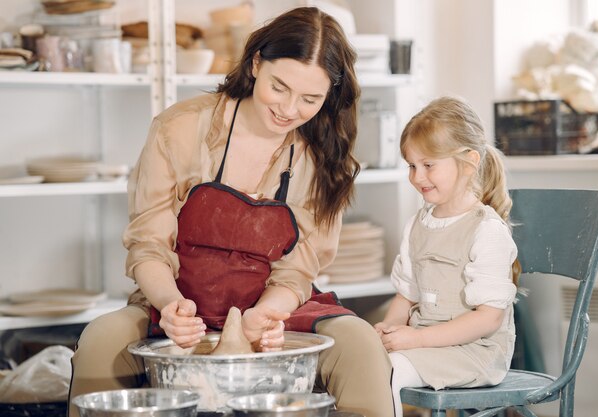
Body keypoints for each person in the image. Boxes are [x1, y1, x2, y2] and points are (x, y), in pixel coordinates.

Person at [68, 7, 394, 417]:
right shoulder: (181, 128)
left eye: (310, 98)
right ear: (257, 63)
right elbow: (148, 244)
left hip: (274, 309)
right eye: (280, 87)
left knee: (360, 343)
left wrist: (267, 314)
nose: (289, 109)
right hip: (178, 300)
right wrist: (171, 306)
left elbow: (298, 269)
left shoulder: (322, 156)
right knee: (101, 339)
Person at [374, 96, 520, 417]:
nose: (417, 177)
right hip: (426, 342)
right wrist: (388, 329)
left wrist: (417, 339)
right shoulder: (418, 224)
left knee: (388, 372)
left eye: (428, 165)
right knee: (366, 361)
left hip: (475, 351)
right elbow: (406, 294)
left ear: (469, 162)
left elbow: (488, 319)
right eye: (412, 165)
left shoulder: (487, 230)